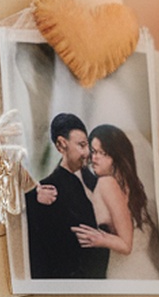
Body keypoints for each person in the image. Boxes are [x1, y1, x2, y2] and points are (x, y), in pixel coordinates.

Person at [24, 112, 108, 281]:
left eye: (88, 146)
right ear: (62, 145)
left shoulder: (90, 181)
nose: (87, 153)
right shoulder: (49, 189)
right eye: (81, 145)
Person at [72, 124, 159, 281]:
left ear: (117, 155)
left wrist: (99, 238)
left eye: (102, 153)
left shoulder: (107, 183)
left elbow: (126, 245)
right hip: (145, 271)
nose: (94, 158)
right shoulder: (131, 186)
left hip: (125, 275)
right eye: (93, 152)